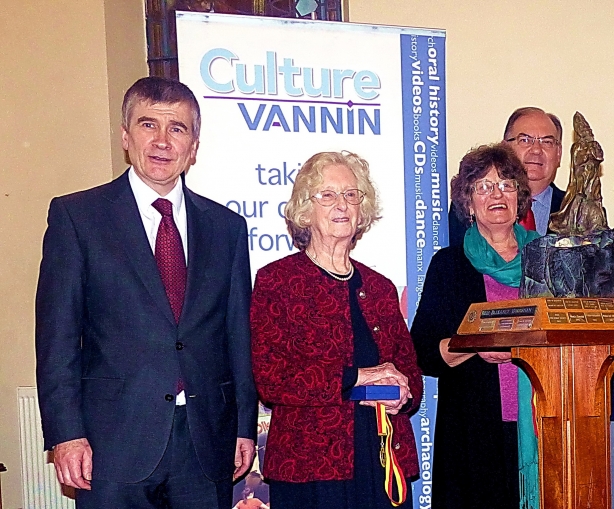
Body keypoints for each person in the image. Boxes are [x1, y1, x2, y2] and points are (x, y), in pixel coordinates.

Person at [35, 76, 258, 509]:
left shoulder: (226, 229)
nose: (161, 141)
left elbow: (237, 336)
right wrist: (66, 434)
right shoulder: (77, 218)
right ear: (125, 135)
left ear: (193, 146)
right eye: (147, 124)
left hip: (205, 443)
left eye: (177, 128)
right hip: (111, 445)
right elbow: (57, 339)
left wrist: (243, 426)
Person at [250, 151, 422, 509]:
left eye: (351, 194)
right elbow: (271, 379)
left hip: (382, 460)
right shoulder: (277, 281)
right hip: (310, 468)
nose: (341, 204)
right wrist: (357, 376)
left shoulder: (380, 287)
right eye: (327, 195)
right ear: (305, 210)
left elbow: (411, 377)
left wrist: (402, 395)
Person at [411, 144, 541, 509]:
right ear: (468, 204)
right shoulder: (449, 265)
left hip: (544, 425)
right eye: (483, 187)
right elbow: (422, 351)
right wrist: (472, 345)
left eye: (506, 184)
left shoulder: (547, 259)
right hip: (473, 432)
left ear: (520, 196)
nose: (496, 194)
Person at [449, 107, 565, 245]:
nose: (536, 150)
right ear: (505, 148)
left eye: (547, 142)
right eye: (525, 140)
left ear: (559, 154)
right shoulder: (471, 203)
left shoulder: (576, 210)